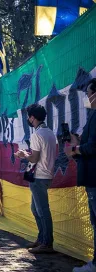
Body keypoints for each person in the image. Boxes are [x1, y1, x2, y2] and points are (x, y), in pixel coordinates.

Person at [15, 103, 56, 254]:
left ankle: (47, 242)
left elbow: (34, 159)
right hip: (45, 175)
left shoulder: (37, 134)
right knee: (36, 208)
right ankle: (42, 238)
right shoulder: (49, 132)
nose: (28, 119)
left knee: (42, 210)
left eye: (28, 117)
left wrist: (22, 155)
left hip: (39, 176)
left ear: (32, 118)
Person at [65, 79, 96, 272]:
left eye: (89, 93)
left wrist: (76, 149)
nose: (87, 97)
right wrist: (76, 141)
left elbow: (93, 146)